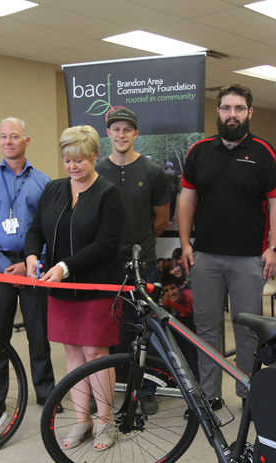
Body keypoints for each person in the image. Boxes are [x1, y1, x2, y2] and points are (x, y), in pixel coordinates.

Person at [177, 83, 276, 409]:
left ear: (249, 112)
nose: (232, 114)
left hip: (248, 259)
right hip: (205, 256)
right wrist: (185, 243)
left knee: (247, 331)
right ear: (218, 111)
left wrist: (275, 248)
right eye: (226, 108)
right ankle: (208, 395)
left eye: (239, 108)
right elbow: (187, 198)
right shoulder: (199, 151)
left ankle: (247, 393)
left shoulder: (263, 152)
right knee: (206, 329)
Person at [25, 126, 125, 452]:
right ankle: (82, 419)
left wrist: (64, 267)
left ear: (95, 155)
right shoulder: (53, 190)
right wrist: (30, 255)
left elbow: (106, 244)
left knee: (95, 353)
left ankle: (105, 421)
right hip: (61, 290)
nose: (72, 167)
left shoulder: (108, 193)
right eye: (67, 160)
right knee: (71, 352)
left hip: (97, 288)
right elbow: (36, 229)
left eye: (79, 160)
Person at [0, 117, 55, 423]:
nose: (8, 141)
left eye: (15, 136)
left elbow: (50, 229)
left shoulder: (44, 182)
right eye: (3, 137)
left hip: (34, 265)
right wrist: (7, 267)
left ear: (27, 141)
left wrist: (32, 263)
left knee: (39, 333)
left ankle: (46, 391)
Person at [95, 107, 170, 411]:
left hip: (144, 264)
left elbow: (162, 220)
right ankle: (109, 387)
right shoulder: (96, 170)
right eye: (116, 130)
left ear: (136, 134)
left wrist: (136, 242)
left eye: (127, 130)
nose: (121, 135)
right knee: (108, 328)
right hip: (107, 264)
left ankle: (147, 388)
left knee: (145, 328)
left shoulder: (153, 172)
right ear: (108, 134)